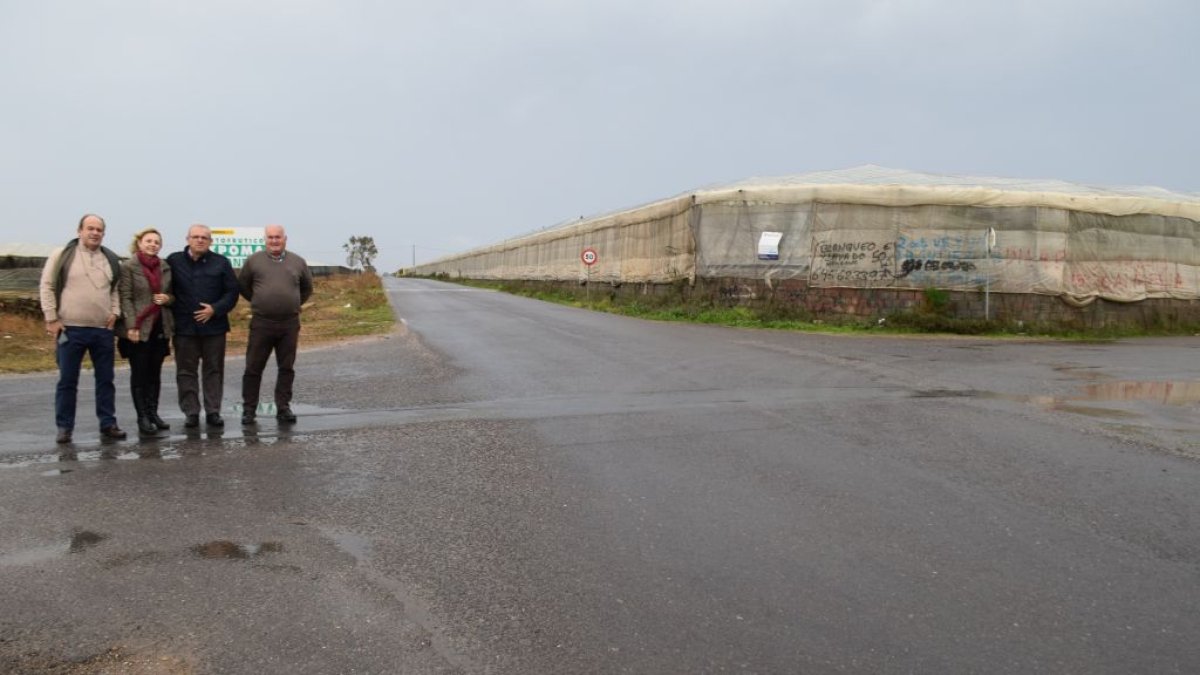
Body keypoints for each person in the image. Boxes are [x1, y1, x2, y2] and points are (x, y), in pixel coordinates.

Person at [39, 214, 127, 443]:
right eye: (90, 228)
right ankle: (64, 427)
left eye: (99, 230)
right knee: (68, 381)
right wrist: (51, 318)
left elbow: (115, 289)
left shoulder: (110, 259)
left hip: (102, 330)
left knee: (106, 379)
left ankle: (108, 423)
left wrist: (115, 313)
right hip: (70, 329)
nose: (95, 233)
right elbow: (47, 286)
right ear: (80, 230)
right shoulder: (62, 255)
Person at [238, 224, 313, 425]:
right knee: (253, 368)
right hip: (262, 323)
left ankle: (283, 408)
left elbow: (306, 288)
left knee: (286, 368)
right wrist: (260, 301)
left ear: (285, 239)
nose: (274, 241)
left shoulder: (298, 262)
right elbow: (244, 286)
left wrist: (294, 303)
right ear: (265, 239)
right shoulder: (254, 261)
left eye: (277, 237)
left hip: (289, 324)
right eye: (270, 237)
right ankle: (249, 410)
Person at [167, 224, 239, 429]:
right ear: (187, 238)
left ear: (211, 241)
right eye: (196, 237)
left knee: (213, 370)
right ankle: (191, 412)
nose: (200, 240)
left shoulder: (221, 263)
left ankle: (213, 411)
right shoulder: (174, 261)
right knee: (185, 371)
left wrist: (215, 309)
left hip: (214, 328)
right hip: (184, 328)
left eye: (204, 238)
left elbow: (232, 293)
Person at [117, 228, 174, 436]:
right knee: (139, 374)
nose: (152, 244)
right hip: (139, 328)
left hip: (160, 326)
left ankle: (153, 413)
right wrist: (131, 325)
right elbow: (126, 297)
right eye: (148, 241)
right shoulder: (129, 267)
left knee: (155, 373)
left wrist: (168, 299)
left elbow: (172, 295)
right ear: (139, 243)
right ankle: (142, 416)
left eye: (156, 242)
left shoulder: (165, 267)